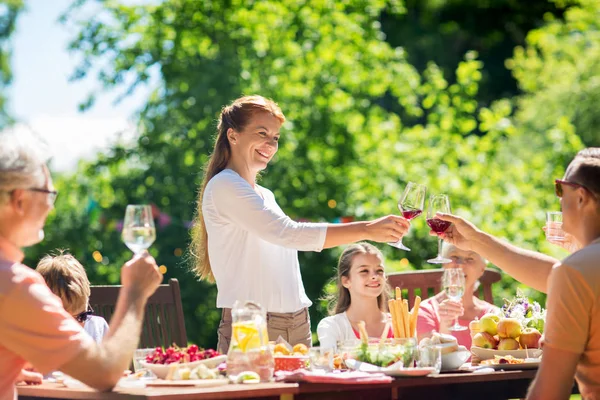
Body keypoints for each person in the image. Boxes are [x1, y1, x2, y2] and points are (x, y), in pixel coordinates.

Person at [191, 95, 410, 354]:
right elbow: (288, 234)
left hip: (296, 322)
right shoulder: (225, 185)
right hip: (255, 326)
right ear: (233, 135)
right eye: (262, 133)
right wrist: (366, 229)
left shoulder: (265, 195)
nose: (270, 144)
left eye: (275, 137)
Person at [0, 127, 163, 398]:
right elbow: (105, 372)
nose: (52, 206)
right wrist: (135, 292)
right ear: (20, 199)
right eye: (49, 194)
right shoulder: (15, 285)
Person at [430, 148, 600, 399]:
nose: (558, 200)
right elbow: (552, 274)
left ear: (581, 197)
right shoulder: (580, 270)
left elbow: (550, 390)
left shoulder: (576, 273)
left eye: (559, 190)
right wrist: (475, 241)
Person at [416, 243, 499, 349]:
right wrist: (445, 326)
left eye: (470, 259)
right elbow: (429, 358)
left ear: (482, 269)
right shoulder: (425, 311)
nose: (460, 265)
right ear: (444, 264)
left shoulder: (493, 315)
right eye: (454, 257)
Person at [316, 243, 393, 350]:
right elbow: (329, 362)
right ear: (346, 281)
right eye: (364, 271)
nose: (375, 276)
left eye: (379, 270)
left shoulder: (400, 324)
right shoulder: (333, 327)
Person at [36, 252, 109, 343]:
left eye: (81, 317)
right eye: (62, 320)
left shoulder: (97, 328)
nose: (73, 327)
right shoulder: (37, 338)